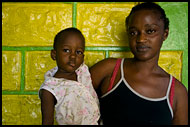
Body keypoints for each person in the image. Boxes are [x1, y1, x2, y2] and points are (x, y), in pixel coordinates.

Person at [90, 2, 188, 125]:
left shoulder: (177, 92)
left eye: (150, 31)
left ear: (165, 34)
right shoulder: (110, 70)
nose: (141, 39)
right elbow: (69, 94)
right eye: (133, 32)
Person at [39, 27, 100, 125]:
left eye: (78, 52)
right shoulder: (50, 89)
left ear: (83, 57)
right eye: (66, 50)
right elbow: (47, 122)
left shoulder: (82, 72)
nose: (73, 56)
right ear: (54, 54)